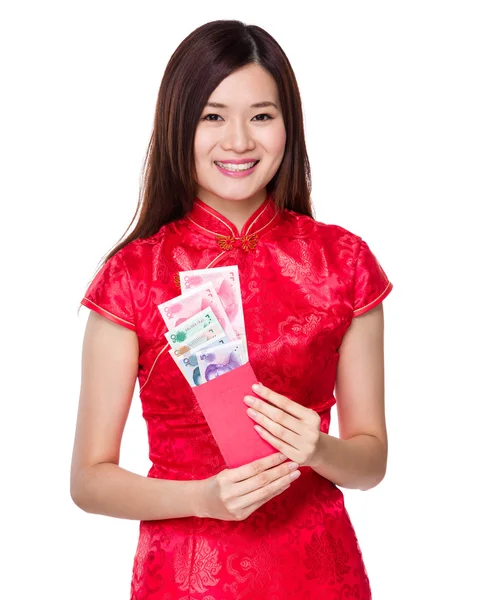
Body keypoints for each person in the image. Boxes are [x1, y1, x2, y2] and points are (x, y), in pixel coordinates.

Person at [71, 19, 393, 600]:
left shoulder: (342, 262)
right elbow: (88, 481)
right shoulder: (133, 277)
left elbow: (371, 462)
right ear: (178, 125)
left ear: (288, 126)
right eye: (212, 116)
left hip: (320, 573)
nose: (239, 141)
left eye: (262, 116)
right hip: (186, 578)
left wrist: (321, 449)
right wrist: (200, 498)